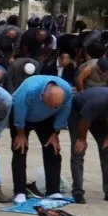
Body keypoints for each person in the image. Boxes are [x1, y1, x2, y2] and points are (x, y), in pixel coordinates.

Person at [9, 74, 72, 203]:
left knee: (53, 148)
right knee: (20, 149)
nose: (51, 108)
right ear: (43, 95)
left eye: (55, 106)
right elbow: (19, 112)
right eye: (50, 104)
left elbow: (64, 112)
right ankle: (20, 192)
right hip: (22, 116)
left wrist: (55, 133)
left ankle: (53, 191)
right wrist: (20, 134)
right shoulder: (29, 90)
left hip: (46, 119)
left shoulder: (66, 91)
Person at [68, 86, 108, 204]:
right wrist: (82, 139)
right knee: (78, 150)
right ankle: (77, 192)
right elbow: (84, 120)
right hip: (78, 113)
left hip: (99, 116)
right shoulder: (98, 101)